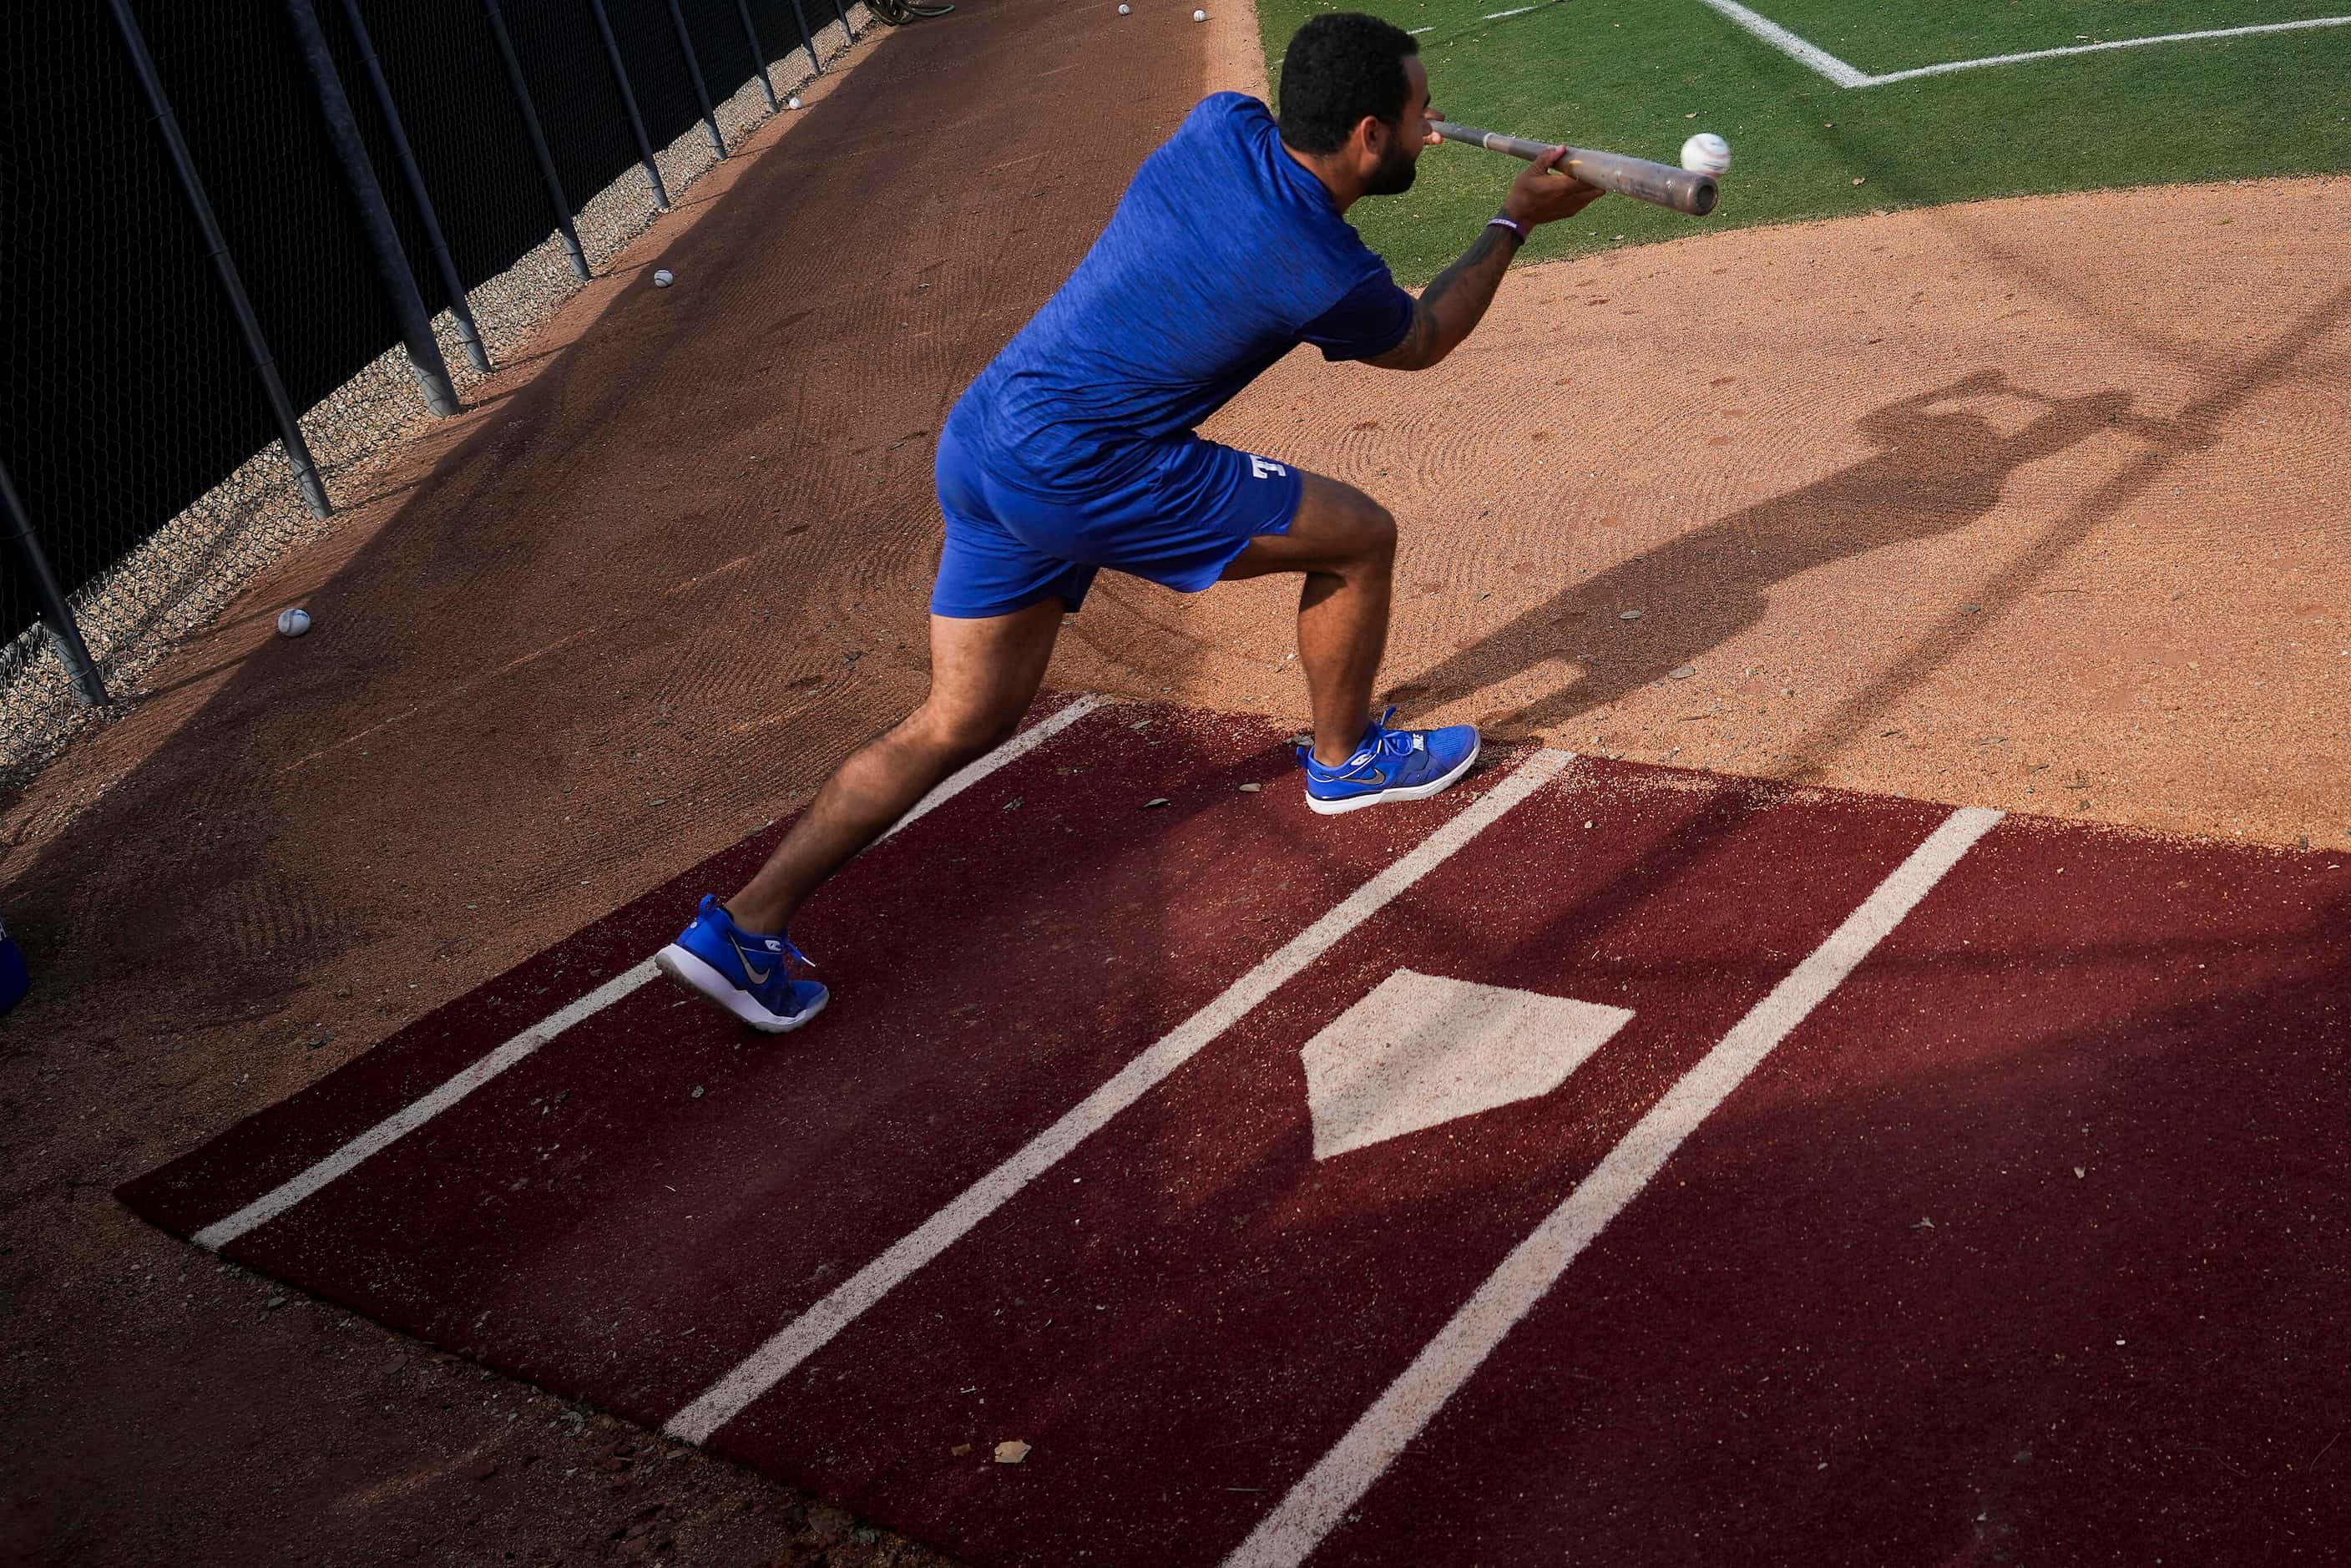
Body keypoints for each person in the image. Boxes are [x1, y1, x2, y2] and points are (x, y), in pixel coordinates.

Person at [655, 11, 1605, 1031]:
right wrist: (1512, 220)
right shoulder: (1319, 264)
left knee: (959, 717)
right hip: (1085, 467)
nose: (1434, 128)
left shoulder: (1216, 124)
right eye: (1420, 116)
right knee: (1360, 534)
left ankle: (743, 928)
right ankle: (1343, 763)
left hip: (985, 436)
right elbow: (1419, 340)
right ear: (1367, 135)